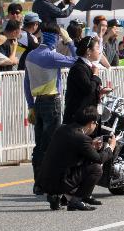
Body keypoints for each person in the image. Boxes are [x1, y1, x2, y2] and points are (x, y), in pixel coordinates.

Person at [24, 26, 78, 194]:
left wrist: (30, 105)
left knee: (39, 145)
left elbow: (26, 82)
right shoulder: (52, 56)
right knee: (52, 145)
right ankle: (49, 183)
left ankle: (38, 184)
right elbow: (78, 60)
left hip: (37, 103)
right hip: (52, 102)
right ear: (55, 38)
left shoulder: (30, 55)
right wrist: (69, 41)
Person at [38, 105, 114, 211]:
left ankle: (58, 196)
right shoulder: (82, 138)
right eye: (95, 123)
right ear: (90, 123)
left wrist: (91, 146)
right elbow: (99, 159)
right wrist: (111, 147)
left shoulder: (62, 129)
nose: (95, 125)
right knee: (96, 168)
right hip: (60, 183)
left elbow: (70, 152)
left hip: (44, 182)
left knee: (84, 162)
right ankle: (76, 200)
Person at [62, 35, 110, 125]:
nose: (100, 52)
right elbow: (88, 89)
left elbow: (89, 88)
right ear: (88, 51)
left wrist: (100, 91)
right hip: (77, 118)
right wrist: (95, 74)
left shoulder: (88, 66)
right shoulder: (78, 67)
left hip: (86, 116)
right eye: (97, 48)